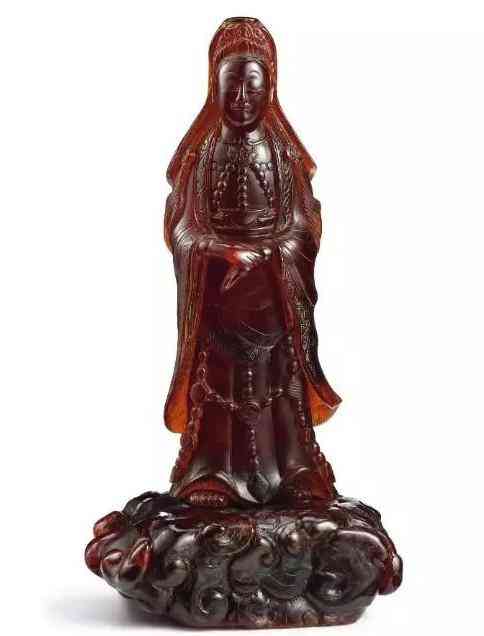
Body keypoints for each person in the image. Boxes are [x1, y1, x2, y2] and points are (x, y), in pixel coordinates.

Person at [164, 17, 341, 507]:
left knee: (281, 387)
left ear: (270, 89)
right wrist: (217, 252)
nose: (242, 98)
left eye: (253, 86)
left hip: (272, 295)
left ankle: (295, 470)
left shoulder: (284, 157)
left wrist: (269, 254)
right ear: (215, 86)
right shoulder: (201, 156)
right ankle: (211, 473)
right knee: (217, 389)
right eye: (232, 86)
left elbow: (305, 226)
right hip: (218, 299)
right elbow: (181, 227)